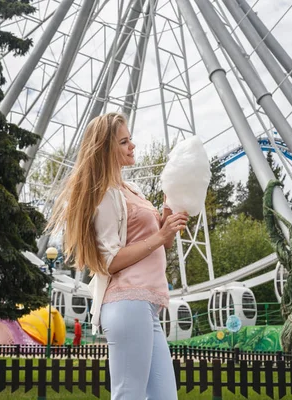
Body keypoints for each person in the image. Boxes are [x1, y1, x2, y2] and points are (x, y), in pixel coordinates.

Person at [48, 112, 188, 400]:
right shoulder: (105, 195)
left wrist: (167, 219)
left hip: (147, 305)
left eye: (130, 139)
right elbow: (109, 261)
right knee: (129, 395)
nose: (132, 146)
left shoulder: (132, 189)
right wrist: (159, 236)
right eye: (124, 142)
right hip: (127, 302)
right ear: (105, 149)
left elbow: (158, 244)